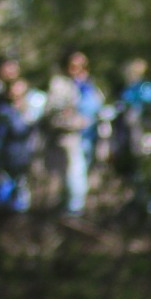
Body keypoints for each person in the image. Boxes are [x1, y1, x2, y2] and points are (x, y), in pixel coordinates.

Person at [45, 49, 103, 216]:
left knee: (84, 173)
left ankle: (75, 208)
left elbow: (98, 107)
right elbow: (51, 113)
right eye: (74, 66)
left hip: (91, 137)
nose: (79, 70)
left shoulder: (90, 86)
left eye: (83, 66)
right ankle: (73, 210)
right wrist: (73, 121)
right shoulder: (59, 85)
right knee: (74, 174)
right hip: (71, 138)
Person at [0, 57, 39, 212]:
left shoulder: (30, 108)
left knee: (19, 189)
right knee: (3, 189)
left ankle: (17, 214)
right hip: (4, 156)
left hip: (21, 156)